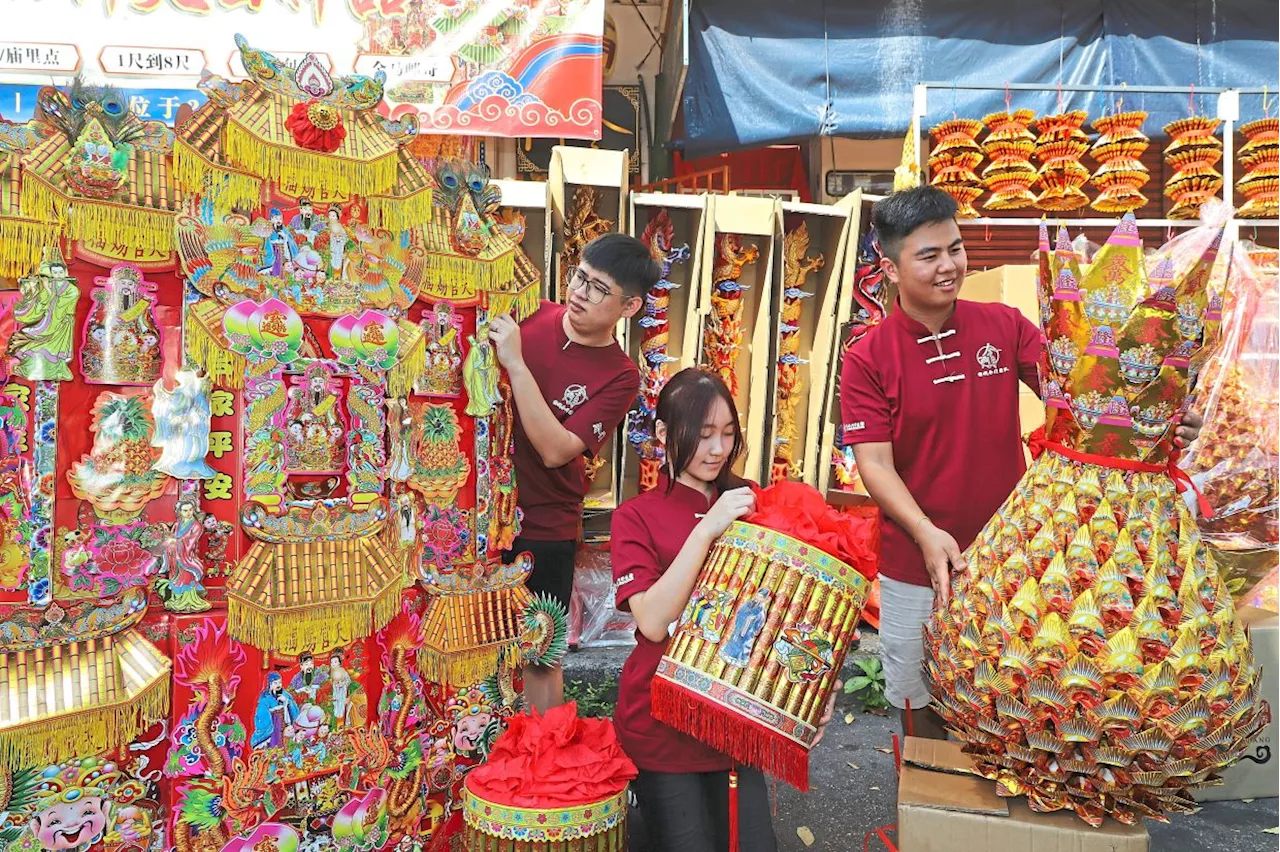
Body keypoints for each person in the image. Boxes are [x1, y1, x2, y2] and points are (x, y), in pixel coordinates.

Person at [839, 186, 1203, 740]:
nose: (949, 266)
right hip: (915, 564)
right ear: (889, 268)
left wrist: (1156, 417)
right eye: (929, 255)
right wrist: (925, 531)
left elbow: (1084, 397)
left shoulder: (1003, 326)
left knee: (1007, 708)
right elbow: (876, 465)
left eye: (955, 249)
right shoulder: (868, 358)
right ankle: (928, 822)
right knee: (920, 717)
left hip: (1011, 566)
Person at [610, 368, 837, 852]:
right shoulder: (636, 516)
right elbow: (651, 620)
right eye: (703, 434)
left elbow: (795, 606)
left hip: (736, 721)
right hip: (661, 724)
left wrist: (817, 690)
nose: (717, 450)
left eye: (727, 435)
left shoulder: (752, 503)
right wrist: (707, 527)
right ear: (665, 434)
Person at [488, 232, 658, 712]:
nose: (580, 292)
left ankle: (540, 760)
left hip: (543, 523)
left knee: (541, 653)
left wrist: (516, 366)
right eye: (579, 277)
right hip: (476, 516)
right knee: (478, 643)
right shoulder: (530, 315)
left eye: (599, 289)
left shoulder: (620, 375)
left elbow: (555, 450)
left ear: (629, 307)